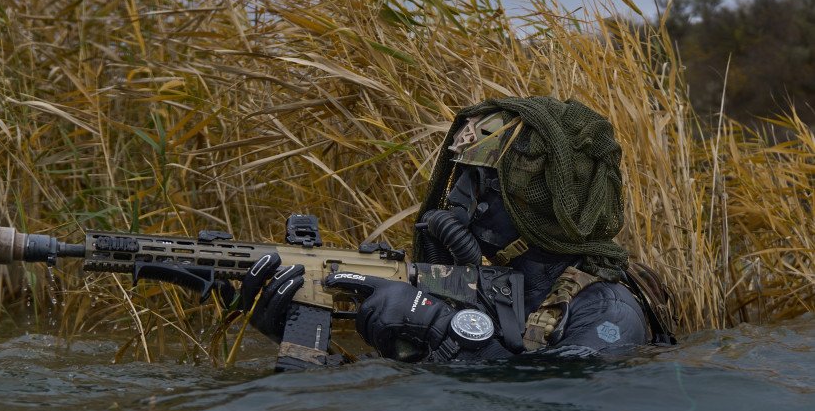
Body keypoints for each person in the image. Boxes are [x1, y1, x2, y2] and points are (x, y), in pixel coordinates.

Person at [237, 96, 677, 364]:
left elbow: (561, 400)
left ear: (534, 202)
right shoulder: (491, 288)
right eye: (461, 177)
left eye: (483, 182)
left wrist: (436, 326)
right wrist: (304, 336)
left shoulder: (606, 310)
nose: (460, 197)